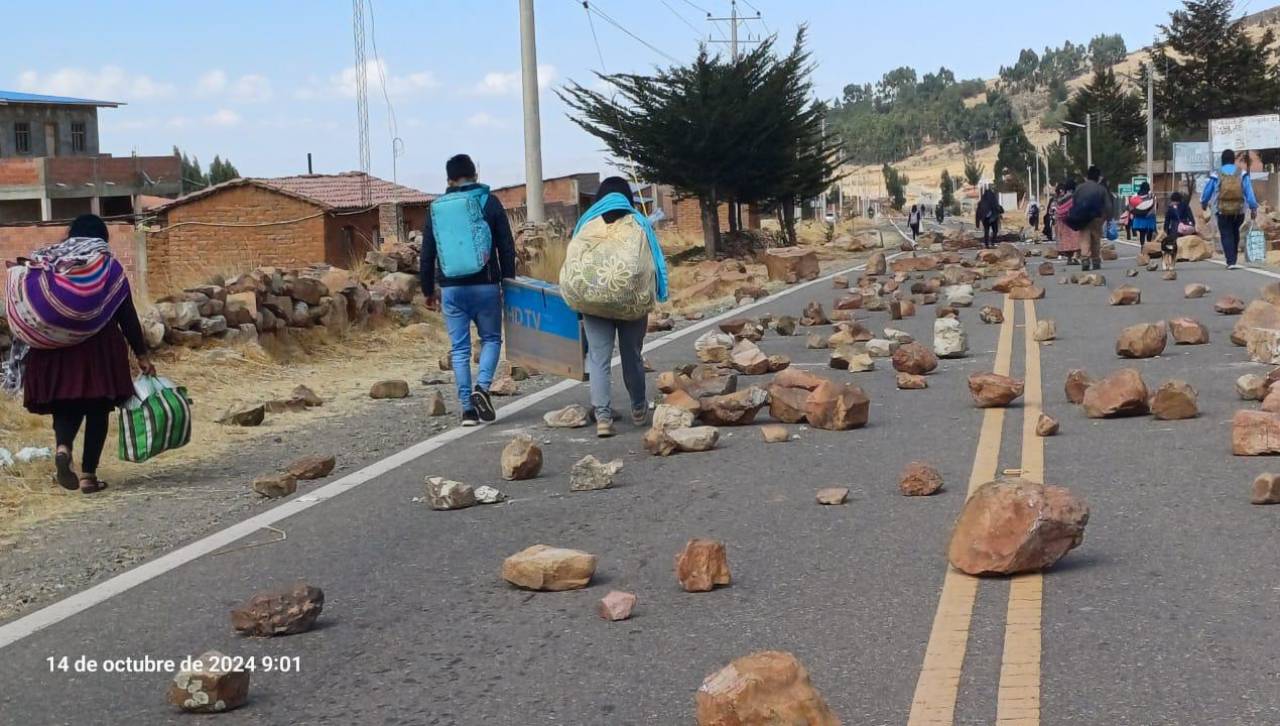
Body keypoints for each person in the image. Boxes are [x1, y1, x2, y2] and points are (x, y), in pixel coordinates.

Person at [4, 215, 154, 493]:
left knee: (65, 406)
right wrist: (142, 354)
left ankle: (62, 449)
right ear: (101, 237)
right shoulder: (107, 266)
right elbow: (127, 315)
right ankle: (88, 476)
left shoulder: (49, 262)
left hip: (54, 352)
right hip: (97, 349)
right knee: (98, 407)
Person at [566, 177, 669, 438]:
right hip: (631, 302)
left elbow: (574, 265)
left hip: (593, 302)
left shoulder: (586, 223)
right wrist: (659, 292)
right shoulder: (638, 222)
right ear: (628, 197)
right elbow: (654, 263)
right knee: (631, 355)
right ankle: (637, 409)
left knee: (599, 358)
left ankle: (603, 418)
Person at [420, 153, 517, 426]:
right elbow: (506, 247)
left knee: (460, 349)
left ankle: (467, 411)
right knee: (491, 340)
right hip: (486, 286)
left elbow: (427, 253)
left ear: (449, 180)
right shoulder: (489, 201)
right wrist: (507, 283)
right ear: (475, 175)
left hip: (451, 290)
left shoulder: (436, 208)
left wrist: (428, 289)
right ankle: (482, 388)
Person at [1200, 148, 1259, 270]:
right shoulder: (1242, 174)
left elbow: (1207, 192)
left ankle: (1230, 260)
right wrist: (1253, 207)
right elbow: (1249, 193)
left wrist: (1204, 203)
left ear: (1222, 160)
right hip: (1239, 210)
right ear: (1233, 160)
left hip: (1221, 210)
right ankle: (1234, 258)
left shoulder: (1216, 174)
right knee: (1235, 232)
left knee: (1226, 234)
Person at [1070, 166, 1112, 271]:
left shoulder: (1079, 188)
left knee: (1084, 238)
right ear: (1098, 177)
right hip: (1097, 217)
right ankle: (1096, 260)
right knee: (1096, 239)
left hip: (1082, 216)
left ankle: (1085, 259)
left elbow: (1073, 202)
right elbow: (1108, 205)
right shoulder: (1101, 189)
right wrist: (1109, 218)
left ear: (1087, 176)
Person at [1163, 191, 1196, 272]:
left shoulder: (1170, 208)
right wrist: (1191, 225)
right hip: (1185, 228)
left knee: (1172, 245)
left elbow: (1167, 220)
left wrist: (1166, 230)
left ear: (1172, 199)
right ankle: (1184, 256)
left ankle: (1171, 262)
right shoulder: (1186, 206)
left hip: (1174, 229)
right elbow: (1191, 218)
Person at [1054, 179, 1081, 265]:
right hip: (1073, 220)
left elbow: (1057, 210)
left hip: (1062, 222)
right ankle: (1076, 257)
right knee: (1077, 239)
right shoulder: (1075, 196)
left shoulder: (1061, 197)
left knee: (1066, 240)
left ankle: (1069, 259)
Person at [1128, 181, 1157, 248]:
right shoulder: (1152, 196)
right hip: (1149, 218)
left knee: (1142, 234)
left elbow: (1131, 207)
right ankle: (1149, 247)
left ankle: (1142, 247)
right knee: (1149, 233)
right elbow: (1155, 208)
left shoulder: (1135, 196)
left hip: (1139, 219)